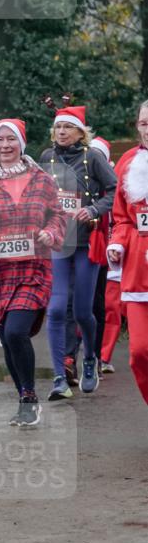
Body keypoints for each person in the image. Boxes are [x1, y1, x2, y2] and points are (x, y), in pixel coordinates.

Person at [0, 119, 66, 427]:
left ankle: (30, 399)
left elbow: (57, 214)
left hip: (33, 269)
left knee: (16, 331)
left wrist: (50, 231)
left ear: (21, 143)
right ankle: (23, 396)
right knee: (7, 337)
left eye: (11, 139)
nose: (4, 145)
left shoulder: (41, 179)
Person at [39, 105, 116, 399]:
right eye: (57, 127)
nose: (61, 132)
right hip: (58, 242)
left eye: (67, 127)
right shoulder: (46, 157)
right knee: (57, 308)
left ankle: (89, 359)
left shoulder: (93, 157)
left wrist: (93, 209)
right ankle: (59, 376)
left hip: (86, 243)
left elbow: (113, 188)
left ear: (80, 132)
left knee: (83, 311)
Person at [107, 100, 148, 403]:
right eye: (144, 123)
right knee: (138, 353)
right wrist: (117, 244)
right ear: (138, 126)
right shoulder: (129, 163)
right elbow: (121, 218)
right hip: (138, 270)